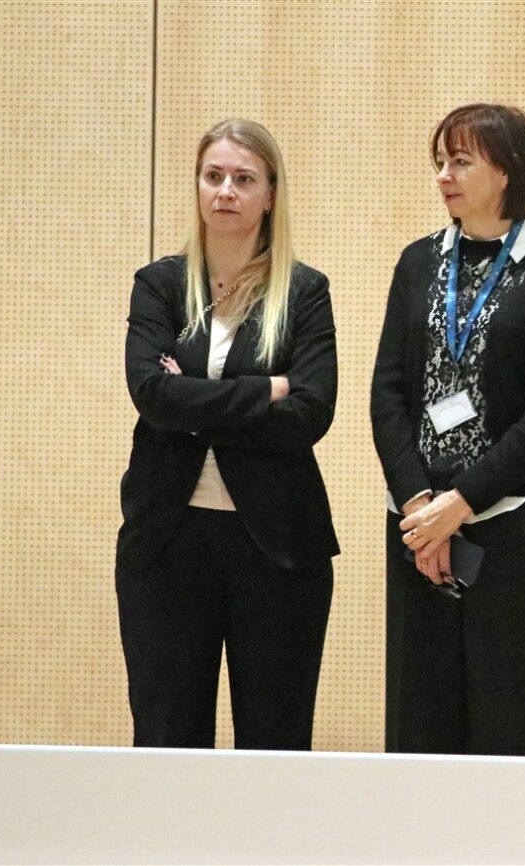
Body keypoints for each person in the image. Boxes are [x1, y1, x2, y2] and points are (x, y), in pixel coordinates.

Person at [371, 104, 525, 757]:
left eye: (461, 161)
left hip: (510, 531)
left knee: (512, 731)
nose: (444, 175)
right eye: (440, 161)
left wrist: (459, 505)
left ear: (507, 171)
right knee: (421, 733)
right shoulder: (417, 263)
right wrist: (421, 508)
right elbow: (388, 394)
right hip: (417, 536)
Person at [116, 119, 339, 749]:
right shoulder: (160, 285)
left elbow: (311, 414)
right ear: (197, 186)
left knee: (274, 743)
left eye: (244, 179)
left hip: (276, 547)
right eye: (213, 176)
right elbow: (152, 395)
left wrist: (191, 399)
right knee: (167, 740)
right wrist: (268, 389)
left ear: (270, 195)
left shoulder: (304, 293)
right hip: (168, 541)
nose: (226, 191)